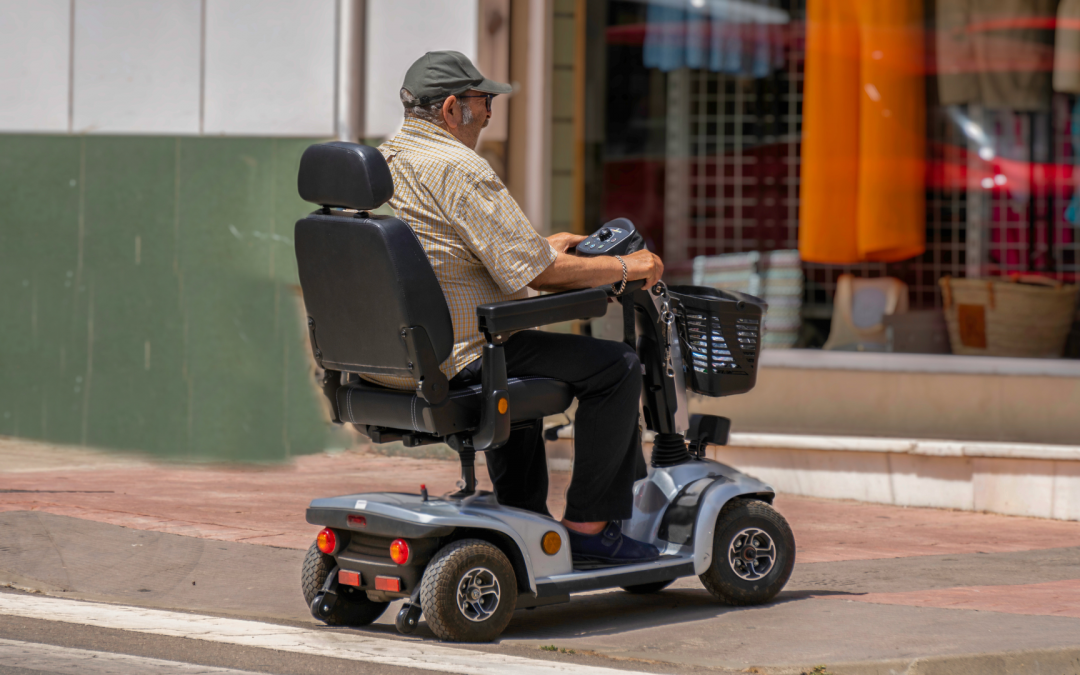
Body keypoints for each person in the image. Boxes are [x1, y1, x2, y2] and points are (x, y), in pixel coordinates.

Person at [370, 51, 665, 564]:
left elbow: (446, 249)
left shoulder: (388, 159)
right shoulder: (459, 167)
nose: (489, 113)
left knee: (516, 350)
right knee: (616, 367)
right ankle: (589, 530)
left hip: (395, 359)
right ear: (452, 109)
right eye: (484, 101)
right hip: (460, 354)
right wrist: (627, 266)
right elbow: (540, 275)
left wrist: (540, 247)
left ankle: (524, 520)